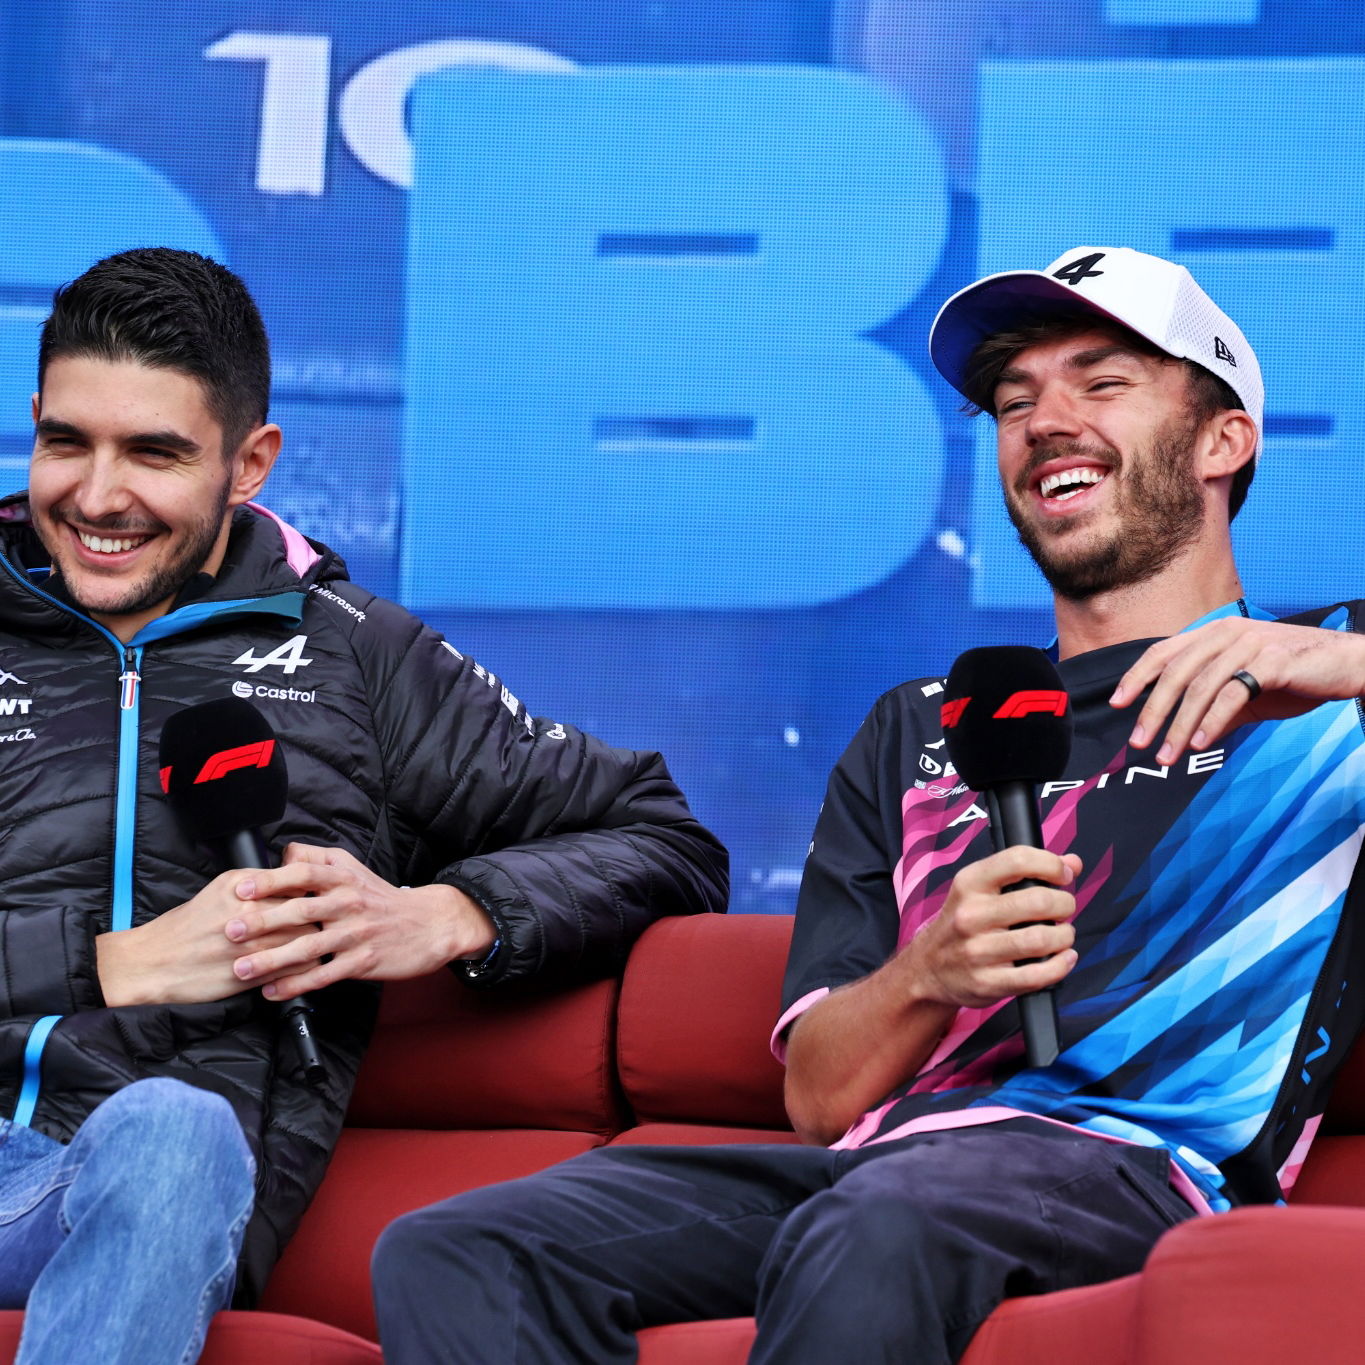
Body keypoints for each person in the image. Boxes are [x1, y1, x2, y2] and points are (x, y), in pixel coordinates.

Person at [370, 245, 1365, 1363]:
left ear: (1223, 440)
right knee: (456, 1247)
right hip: (878, 1173)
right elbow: (817, 1095)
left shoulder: (1330, 680)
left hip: (1132, 1171)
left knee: (877, 1223)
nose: (1045, 421)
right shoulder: (924, 723)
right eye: (1014, 402)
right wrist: (929, 971)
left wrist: (1344, 664)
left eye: (1101, 382)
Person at [0, 247, 727, 1364]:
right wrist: (108, 965)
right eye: (67, 443)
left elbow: (663, 835)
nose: (98, 497)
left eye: (154, 452)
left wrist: (449, 913)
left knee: (176, 1132)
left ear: (250, 463)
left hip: (159, 1191)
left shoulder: (355, 659)